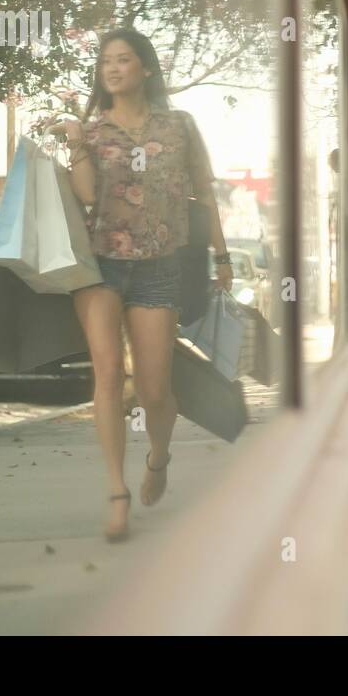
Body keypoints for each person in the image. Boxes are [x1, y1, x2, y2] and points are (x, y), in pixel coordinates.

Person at [59, 27, 231, 542]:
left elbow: (204, 193)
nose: (112, 69)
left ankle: (158, 456)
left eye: (124, 60)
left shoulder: (179, 126)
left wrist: (222, 253)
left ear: (146, 68)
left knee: (155, 390)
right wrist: (74, 144)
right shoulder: (90, 131)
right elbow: (87, 196)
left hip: (159, 264)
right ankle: (117, 492)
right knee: (108, 375)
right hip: (100, 267)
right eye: (106, 61)